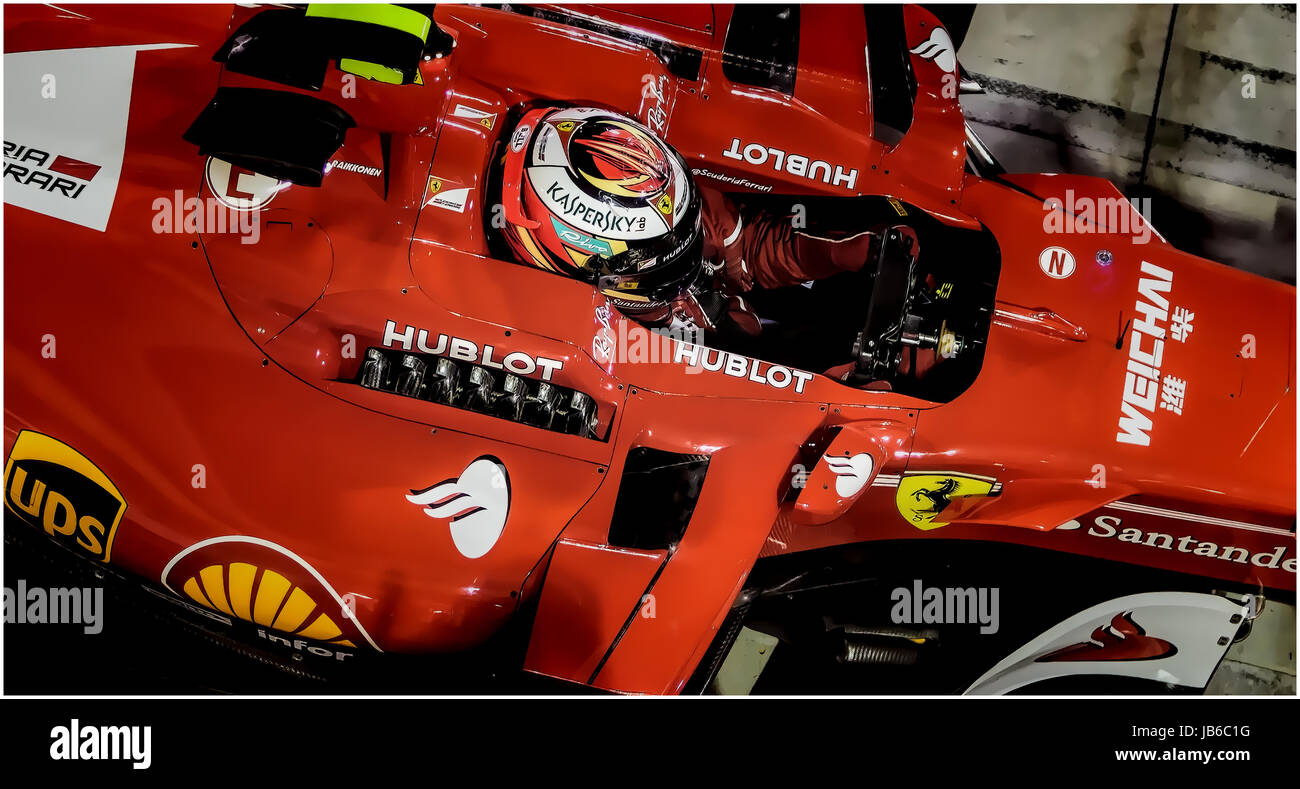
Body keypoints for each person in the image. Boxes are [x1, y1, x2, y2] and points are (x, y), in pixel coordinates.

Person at [498, 106, 890, 340]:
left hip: (710, 277)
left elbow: (727, 228)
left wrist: (826, 252)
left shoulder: (666, 203)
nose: (683, 249)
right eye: (657, 253)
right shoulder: (551, 307)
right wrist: (720, 323)